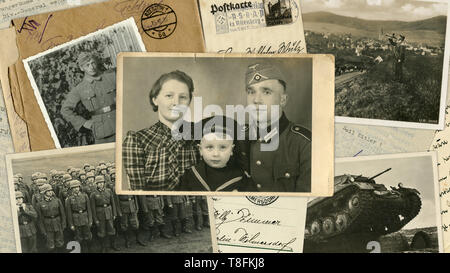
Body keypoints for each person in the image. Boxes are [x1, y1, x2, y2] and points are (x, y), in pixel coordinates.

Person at [238, 63, 311, 192]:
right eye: (251, 92)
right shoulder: (239, 138)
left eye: (266, 92)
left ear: (283, 100)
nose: (256, 100)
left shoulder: (304, 144)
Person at [123, 70, 199, 191]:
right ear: (155, 100)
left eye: (183, 97)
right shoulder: (137, 141)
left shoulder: (200, 134)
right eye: (169, 96)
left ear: (189, 101)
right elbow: (139, 193)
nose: (176, 102)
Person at [176, 116, 251, 192]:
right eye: (209, 147)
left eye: (222, 147)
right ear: (200, 150)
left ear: (231, 150)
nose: (216, 154)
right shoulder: (190, 175)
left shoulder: (241, 178)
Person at [61, 52, 116, 144]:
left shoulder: (112, 77)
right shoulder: (79, 89)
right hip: (102, 131)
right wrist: (84, 123)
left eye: (93, 63)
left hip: (121, 123)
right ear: (82, 68)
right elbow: (65, 109)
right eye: (87, 65)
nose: (92, 67)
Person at [90, 175, 120, 252]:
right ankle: (103, 247)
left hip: (109, 212)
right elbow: (93, 208)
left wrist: (114, 213)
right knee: (101, 231)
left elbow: (113, 203)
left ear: (104, 183)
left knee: (111, 229)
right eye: (99, 183)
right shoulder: (93, 194)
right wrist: (95, 219)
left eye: (102, 182)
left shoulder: (109, 191)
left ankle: (113, 245)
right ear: (96, 184)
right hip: (100, 214)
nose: (101, 184)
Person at [35, 184, 66, 253]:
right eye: (48, 191)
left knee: (60, 241)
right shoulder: (39, 204)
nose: (50, 192)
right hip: (47, 225)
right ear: (44, 193)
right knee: (50, 243)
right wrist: (42, 229)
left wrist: (63, 224)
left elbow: (62, 214)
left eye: (51, 190)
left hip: (58, 223)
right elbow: (39, 218)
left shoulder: (57, 200)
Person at [65, 180, 93, 253]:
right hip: (76, 220)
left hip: (85, 218)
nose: (76, 189)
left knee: (88, 236)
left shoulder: (85, 196)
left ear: (79, 187)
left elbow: (89, 209)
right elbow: (69, 213)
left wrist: (90, 220)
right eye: (74, 188)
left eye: (77, 187)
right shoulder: (69, 199)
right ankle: (81, 250)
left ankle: (89, 249)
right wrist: (71, 224)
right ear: (71, 189)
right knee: (78, 237)